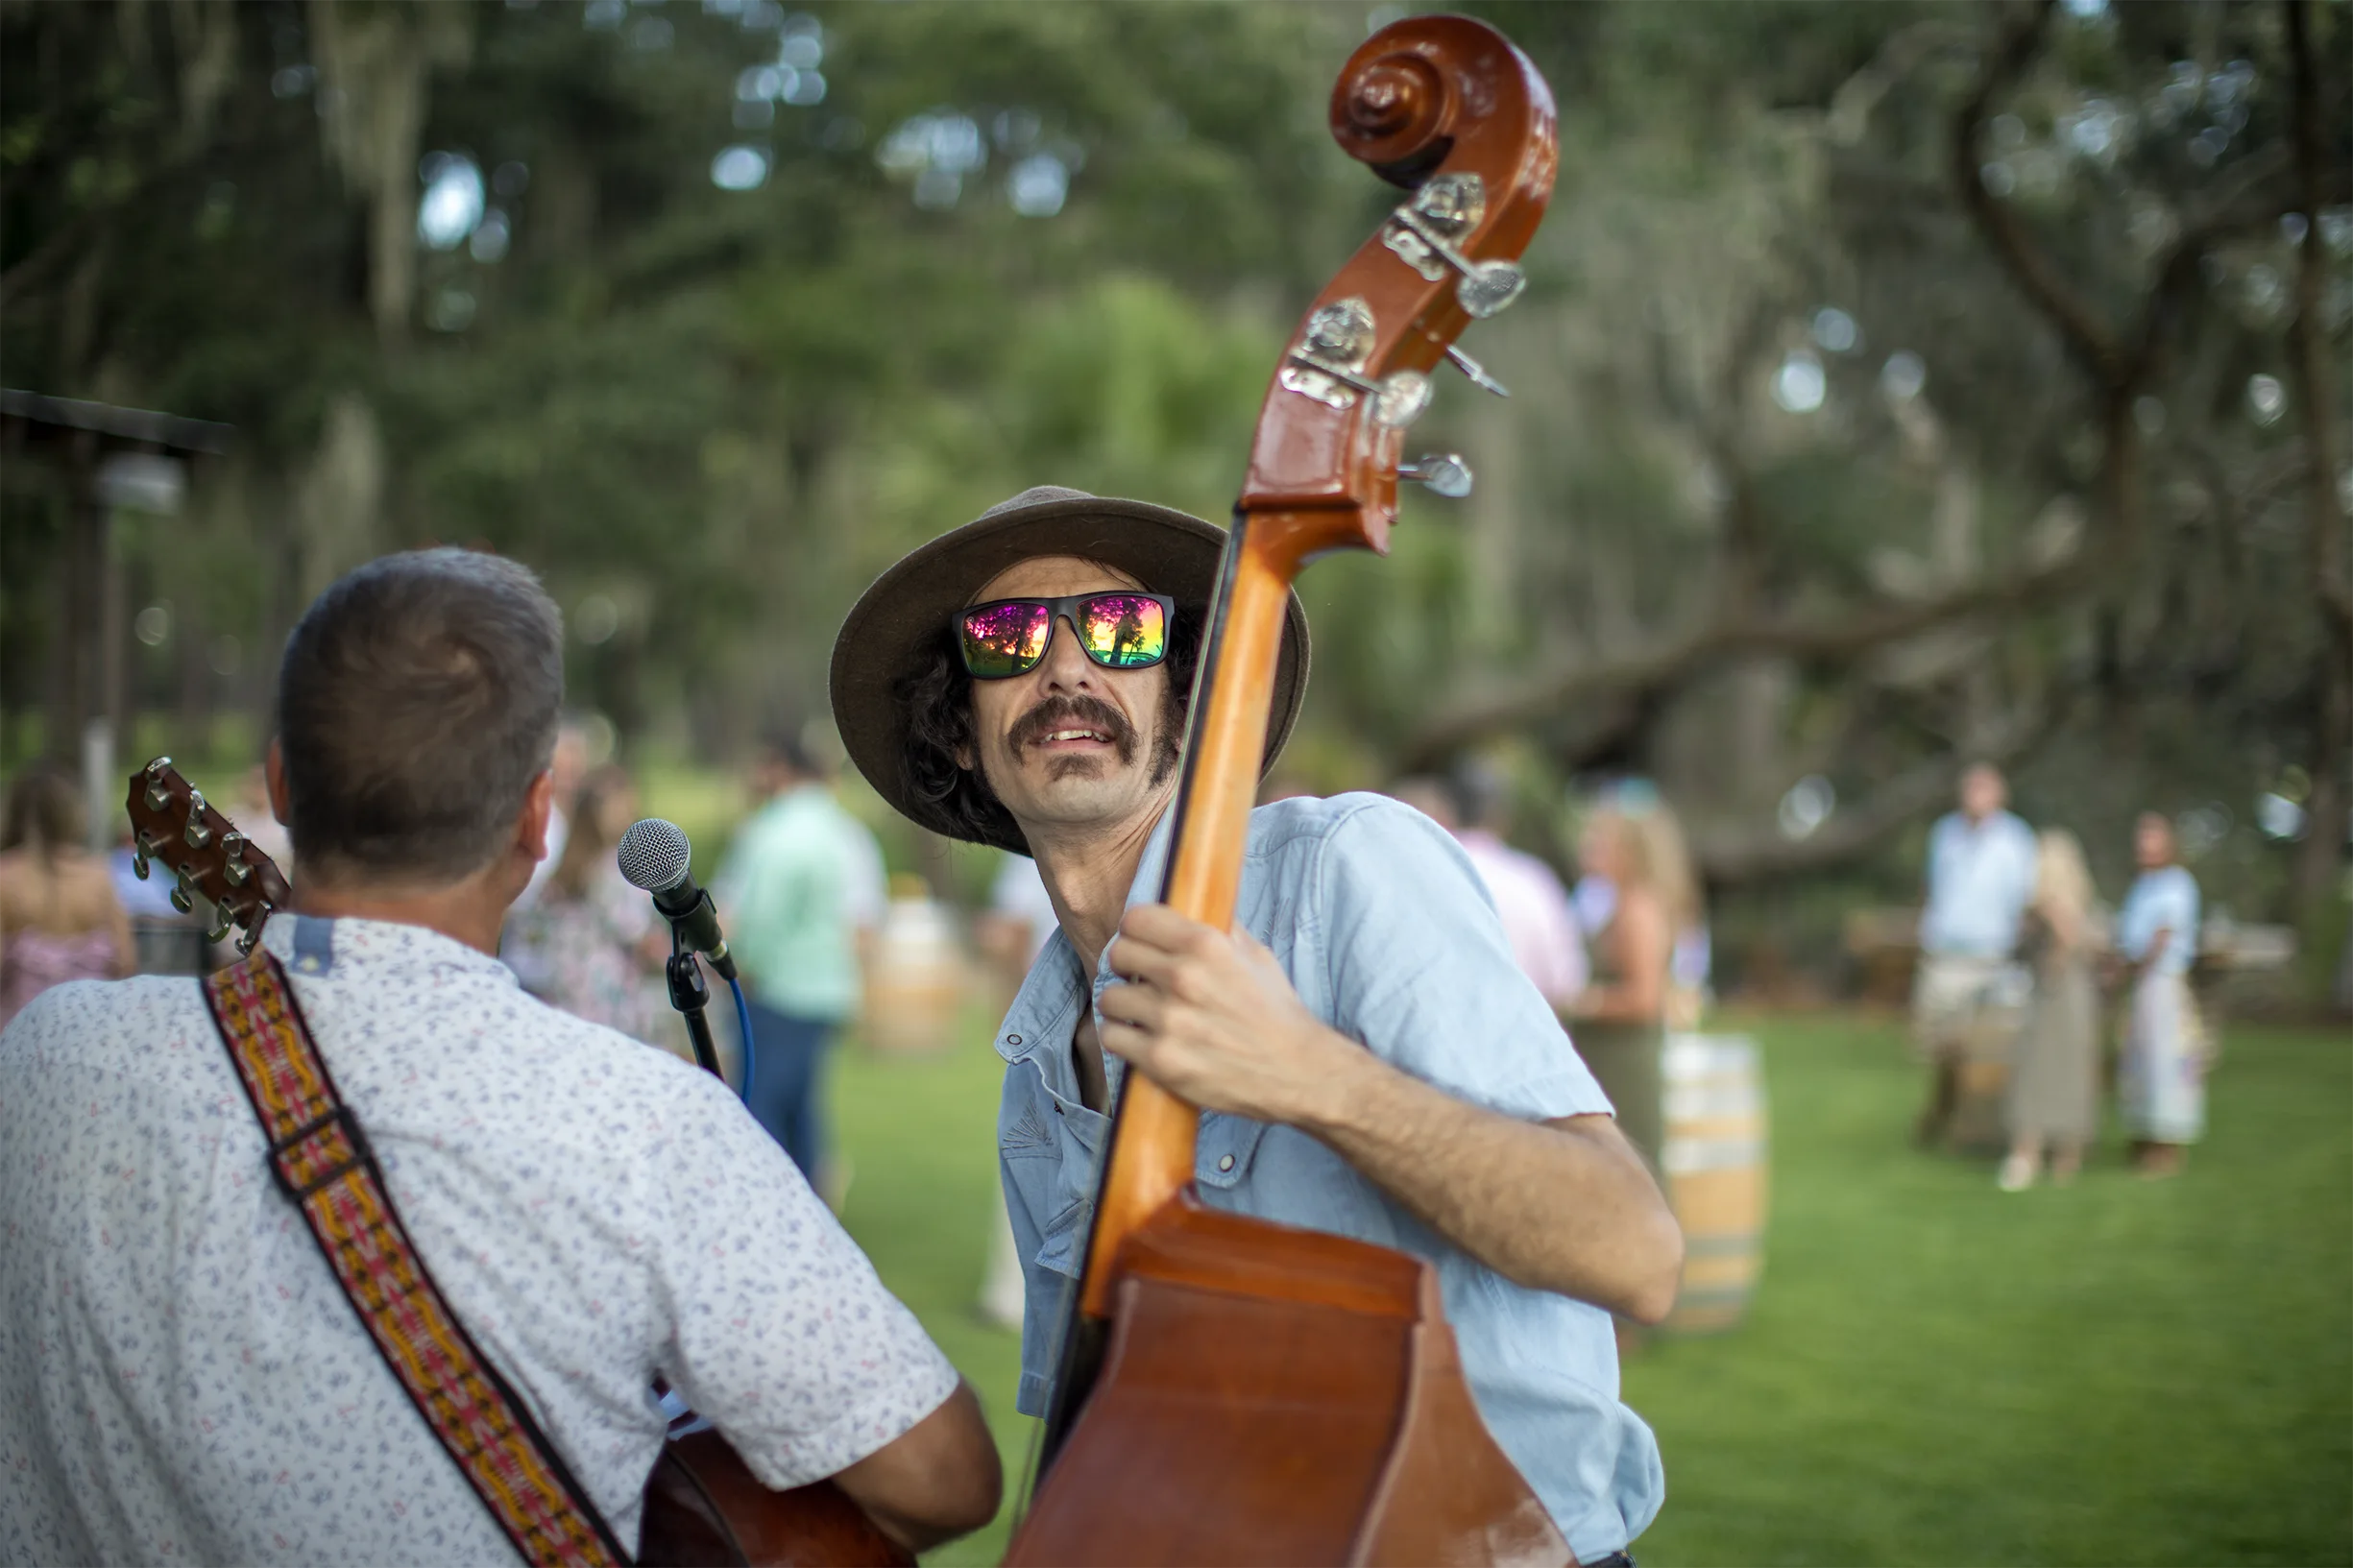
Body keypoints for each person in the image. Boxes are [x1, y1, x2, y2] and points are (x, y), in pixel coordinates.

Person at [0, 549, 999, 1563]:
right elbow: (943, 1478)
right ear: (534, 817)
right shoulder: (641, 1125)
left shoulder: (46, 1057)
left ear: (279, 783)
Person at [829, 486, 1681, 1566]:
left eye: (1121, 629)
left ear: (1181, 704)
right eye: (1007, 638)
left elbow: (1633, 1249)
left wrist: (1310, 1074)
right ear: (956, 729)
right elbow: (1103, 1429)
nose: (1067, 668)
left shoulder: (1347, 867)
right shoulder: (1038, 1065)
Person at [712, 726, 887, 1185]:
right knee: (801, 1107)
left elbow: (754, 918)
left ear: (779, 771)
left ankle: (772, 1206)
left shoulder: (771, 831)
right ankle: (812, 1201)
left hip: (776, 990)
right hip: (828, 992)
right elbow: (865, 922)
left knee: (763, 1106)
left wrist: (737, 967)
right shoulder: (849, 835)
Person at [1562, 805, 1692, 1178]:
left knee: (1635, 1166)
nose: (1589, 848)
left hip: (1626, 1062)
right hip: (1611, 1058)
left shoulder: (1637, 912)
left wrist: (1585, 1002)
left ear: (1630, 853)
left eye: (1601, 842)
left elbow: (1645, 999)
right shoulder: (1618, 905)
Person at [1912, 762, 2039, 1146]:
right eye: (1970, 788)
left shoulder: (2016, 839)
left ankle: (1965, 1124)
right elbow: (1932, 887)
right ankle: (1944, 1109)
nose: (1975, 796)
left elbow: (2025, 901)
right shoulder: (1945, 833)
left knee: (1984, 1048)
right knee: (1940, 1046)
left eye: (1984, 788)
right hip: (1944, 956)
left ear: (1999, 795)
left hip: (1991, 958)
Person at [1392, 763, 1589, 1008]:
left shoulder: (1415, 870)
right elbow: (1565, 983)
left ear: (1447, 810)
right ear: (1502, 817)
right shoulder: (1535, 881)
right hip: (1518, 1030)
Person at [504, 762, 673, 1047]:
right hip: (607, 1006)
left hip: (563, 1000)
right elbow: (642, 937)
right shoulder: (610, 871)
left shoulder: (567, 868)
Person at [1999, 829, 2101, 1192]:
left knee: (2070, 1071)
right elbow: (2021, 952)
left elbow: (2083, 949)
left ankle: (2067, 1153)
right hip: (2043, 999)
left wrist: (2061, 920)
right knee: (2035, 1070)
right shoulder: (2034, 911)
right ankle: (2027, 1151)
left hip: (2071, 999)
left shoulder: (2082, 908)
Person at [0, 761, 135, 1027]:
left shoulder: (6, 877)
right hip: (88, 1031)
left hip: (20, 1034)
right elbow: (127, 962)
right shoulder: (98, 877)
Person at [2114, 811, 2203, 1178]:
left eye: (2153, 839)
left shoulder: (2177, 884)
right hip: (2141, 985)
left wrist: (2130, 968)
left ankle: (2167, 1145)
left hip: (2163, 982)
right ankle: (2142, 1135)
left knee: (2166, 1064)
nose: (2145, 847)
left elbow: (2162, 936)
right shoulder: (2141, 886)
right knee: (2139, 1063)